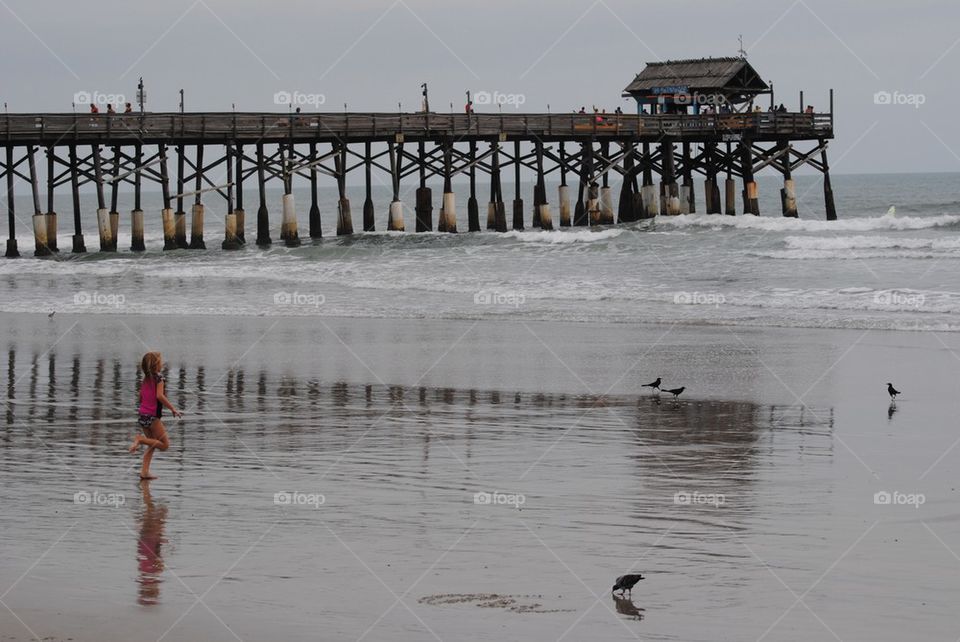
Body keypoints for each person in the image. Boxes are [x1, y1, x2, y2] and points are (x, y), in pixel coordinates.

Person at [129, 351, 181, 479]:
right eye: (160, 361)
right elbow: (159, 396)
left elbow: (141, 397)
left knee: (152, 444)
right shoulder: (159, 378)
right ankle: (139, 439)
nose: (162, 363)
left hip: (142, 416)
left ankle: (144, 472)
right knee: (164, 445)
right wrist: (173, 409)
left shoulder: (145, 379)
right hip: (153, 417)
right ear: (156, 365)